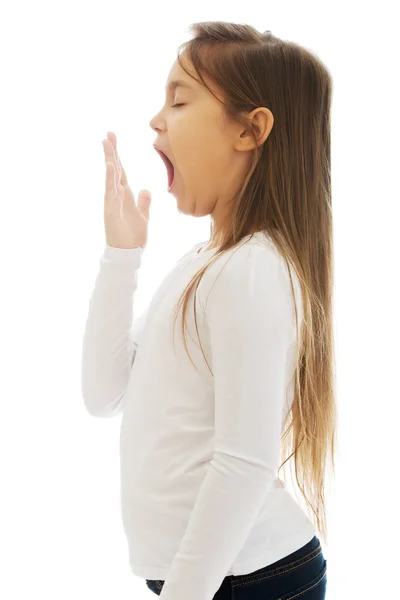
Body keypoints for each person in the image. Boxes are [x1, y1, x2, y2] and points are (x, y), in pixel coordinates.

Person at [81, 21, 335, 600]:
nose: (156, 119)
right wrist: (121, 258)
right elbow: (105, 393)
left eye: (179, 99)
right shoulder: (206, 262)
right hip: (211, 581)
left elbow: (244, 464)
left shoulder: (253, 271)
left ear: (251, 129)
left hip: (251, 581)